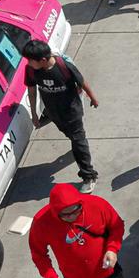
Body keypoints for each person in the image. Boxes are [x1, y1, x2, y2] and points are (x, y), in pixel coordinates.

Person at [22, 40, 99, 193]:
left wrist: (93, 97)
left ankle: (89, 176)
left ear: (43, 60)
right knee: (72, 137)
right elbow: (32, 91)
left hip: (72, 111)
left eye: (30, 60)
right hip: (53, 112)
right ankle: (78, 144)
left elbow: (82, 82)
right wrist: (34, 114)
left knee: (78, 142)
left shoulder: (64, 67)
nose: (28, 63)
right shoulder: (31, 70)